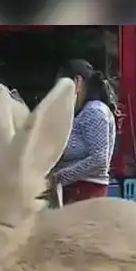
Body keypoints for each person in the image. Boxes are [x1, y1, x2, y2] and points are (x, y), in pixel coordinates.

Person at [51, 59, 118, 204]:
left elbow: (99, 159)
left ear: (77, 82)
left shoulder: (94, 111)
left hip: (85, 193)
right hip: (77, 191)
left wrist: (59, 177)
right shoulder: (84, 113)